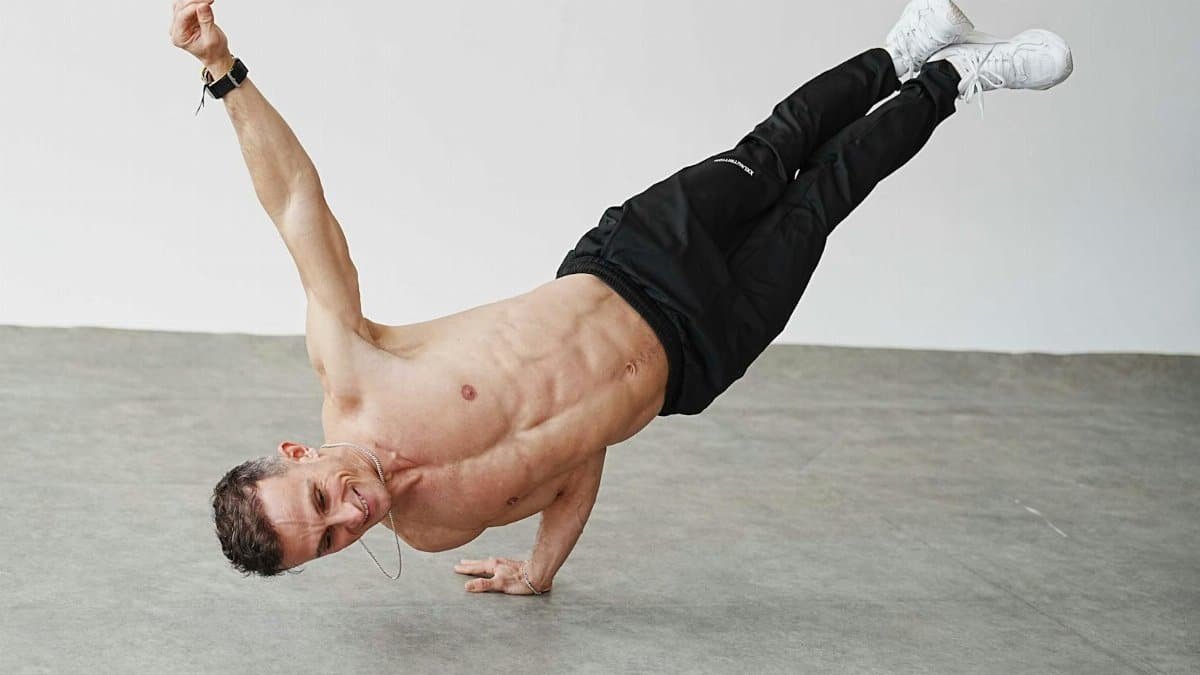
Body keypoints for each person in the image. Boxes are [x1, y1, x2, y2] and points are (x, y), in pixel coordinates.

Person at [171, 0, 1073, 594]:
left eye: (318, 499)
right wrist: (540, 571)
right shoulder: (436, 528)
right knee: (824, 202)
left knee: (772, 153)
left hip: (632, 263)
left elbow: (297, 205)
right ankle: (959, 81)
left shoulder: (357, 368)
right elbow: (573, 454)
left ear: (297, 450)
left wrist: (222, 68)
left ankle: (901, 49)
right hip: (695, 357)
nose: (348, 515)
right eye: (329, 541)